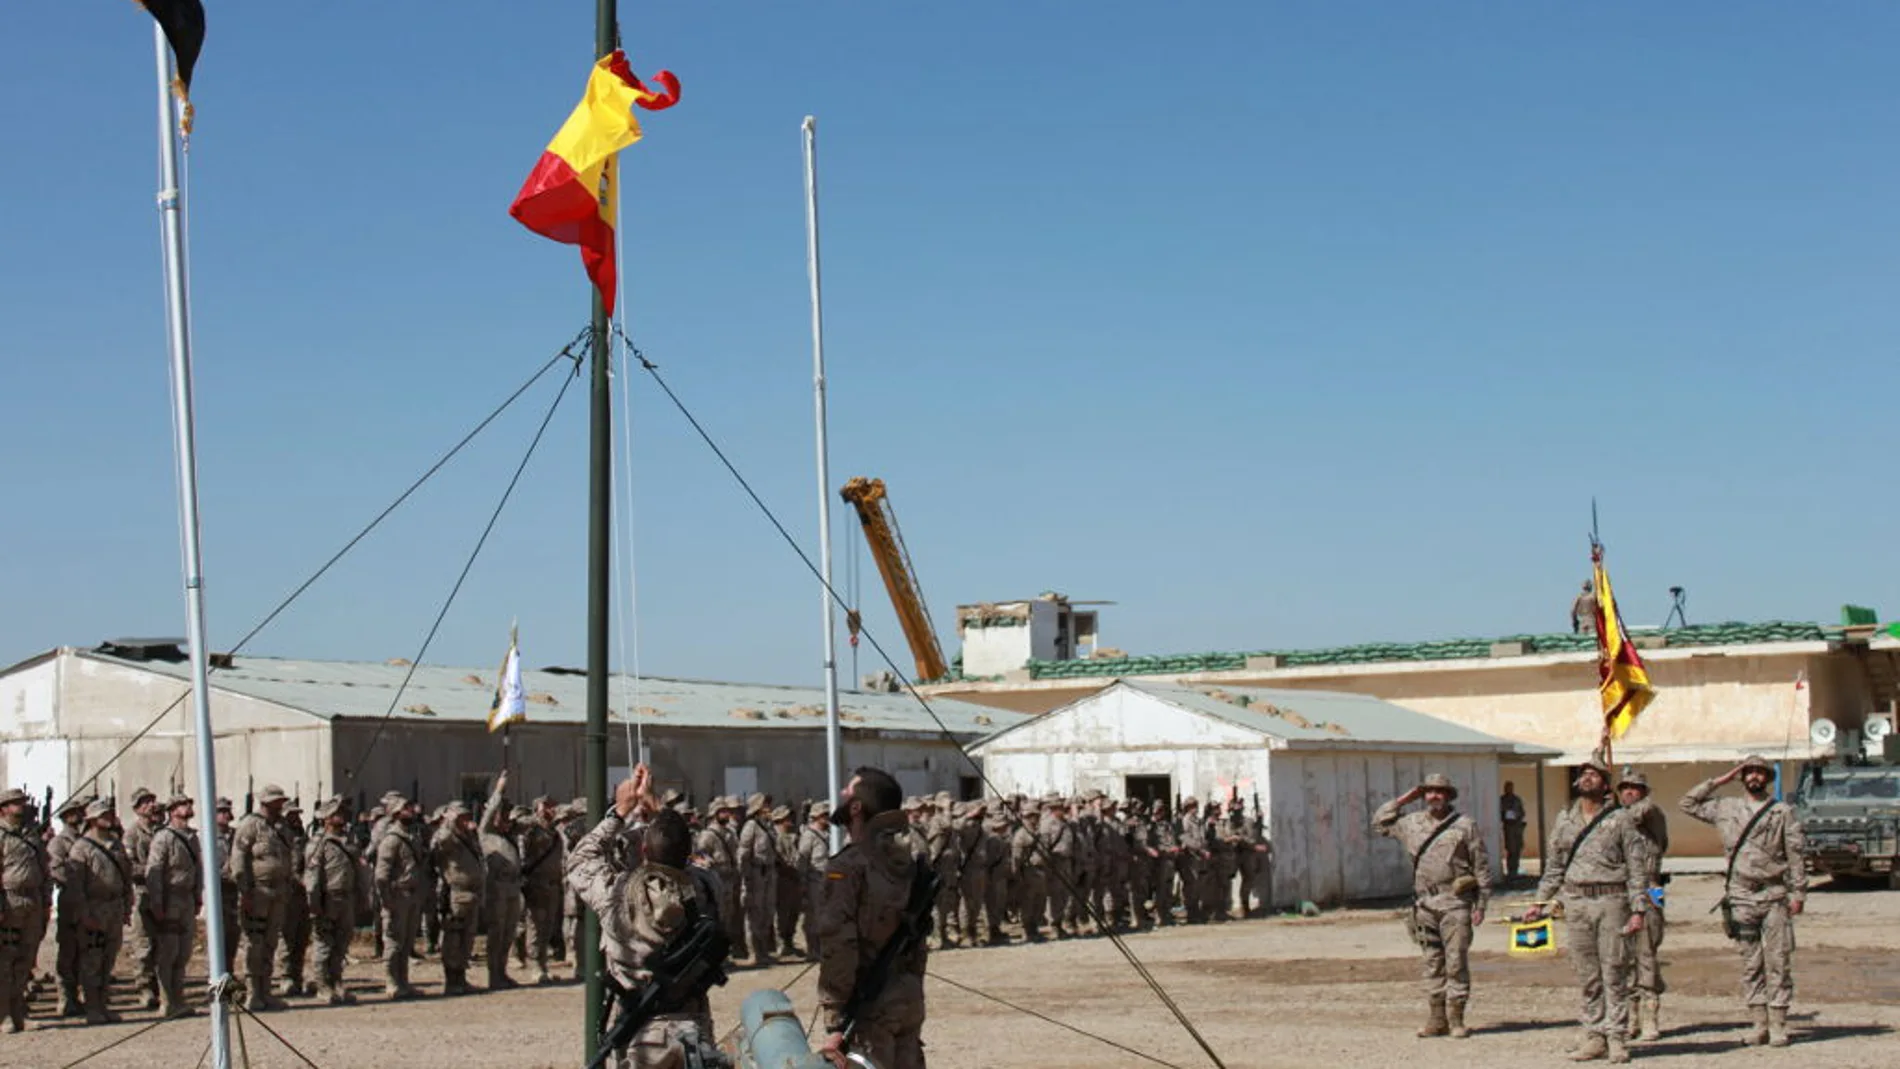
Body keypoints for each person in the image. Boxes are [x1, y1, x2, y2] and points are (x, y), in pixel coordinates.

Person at [566, 766, 728, 1069]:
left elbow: (580, 860)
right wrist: (658, 808)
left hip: (642, 1035)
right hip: (693, 1027)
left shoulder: (617, 892)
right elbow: (683, 848)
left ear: (642, 849)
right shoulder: (707, 886)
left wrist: (620, 811)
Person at [1525, 759, 1648, 1064]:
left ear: (1606, 785)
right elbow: (1554, 867)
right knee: (1587, 974)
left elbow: (1636, 868)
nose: (1587, 778)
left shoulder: (1621, 820)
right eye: (1584, 775)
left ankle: (1617, 1037)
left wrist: (1638, 910)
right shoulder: (1565, 821)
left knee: (1615, 971)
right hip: (1576, 903)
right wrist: (1539, 902)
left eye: (1595, 775)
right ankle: (1594, 1037)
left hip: (1612, 901)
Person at [1680, 755, 1807, 1048]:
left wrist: (1798, 893)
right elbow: (1687, 803)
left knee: (1778, 961)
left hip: (1773, 894)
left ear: (1768, 778)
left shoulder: (1781, 812)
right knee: (1751, 963)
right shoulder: (1726, 808)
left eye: (1759, 773)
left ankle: (1778, 1023)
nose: (1754, 777)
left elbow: (1796, 855)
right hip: (1740, 896)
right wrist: (1720, 779)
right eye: (1748, 772)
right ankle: (1758, 1023)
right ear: (1741, 776)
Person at [818, 767, 927, 1069]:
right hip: (907, 994)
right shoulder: (907, 861)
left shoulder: (849, 866)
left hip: (869, 1007)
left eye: (848, 790)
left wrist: (835, 1020)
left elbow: (839, 946)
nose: (841, 793)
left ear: (856, 807)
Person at [1374, 773, 1491, 1040]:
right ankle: (1436, 1019)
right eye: (1429, 792)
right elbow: (1379, 822)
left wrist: (1481, 904)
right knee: (1432, 963)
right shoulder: (1411, 823)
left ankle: (1456, 1019)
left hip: (1455, 902)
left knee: (1455, 962)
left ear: (1449, 795)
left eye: (1440, 791)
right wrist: (1407, 797)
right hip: (1424, 903)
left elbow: (1481, 865)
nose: (1434, 796)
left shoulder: (1464, 825)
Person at [228, 783, 296, 1011]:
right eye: (276, 801)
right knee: (254, 943)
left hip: (278, 892)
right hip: (257, 892)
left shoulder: (282, 826)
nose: (280, 805)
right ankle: (253, 992)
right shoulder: (250, 825)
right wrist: (245, 890)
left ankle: (266, 990)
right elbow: (238, 860)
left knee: (270, 942)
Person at [69, 798, 135, 1024]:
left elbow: (125, 875)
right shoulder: (81, 848)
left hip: (114, 906)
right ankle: (92, 1007)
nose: (108, 818)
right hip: (94, 907)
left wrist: (127, 905)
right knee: (92, 960)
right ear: (92, 820)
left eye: (109, 814)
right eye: (103, 816)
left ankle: (103, 1003)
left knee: (108, 959)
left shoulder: (116, 844)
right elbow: (76, 886)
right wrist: (84, 913)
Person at [1617, 770, 1668, 1041]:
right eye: (1624, 788)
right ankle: (1630, 1016)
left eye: (1635, 788)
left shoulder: (1651, 813)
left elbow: (1639, 812)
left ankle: (1650, 1015)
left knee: (1646, 951)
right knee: (1622, 956)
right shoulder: (1617, 819)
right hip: (1621, 890)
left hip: (1649, 888)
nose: (1629, 793)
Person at [145, 794, 203, 1018]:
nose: (188, 807)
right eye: (182, 805)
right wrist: (157, 902)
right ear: (172, 810)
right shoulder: (164, 838)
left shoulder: (192, 838)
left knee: (183, 952)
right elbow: (155, 871)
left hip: (186, 898)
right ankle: (167, 1001)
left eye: (189, 803)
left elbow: (198, 870)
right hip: (170, 899)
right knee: (168, 952)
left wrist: (198, 897)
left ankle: (179, 999)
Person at [0, 786, 51, 1033]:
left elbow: (43, 869)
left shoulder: (31, 834)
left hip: (33, 901)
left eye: (21, 801)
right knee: (5, 961)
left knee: (25, 960)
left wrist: (46, 901)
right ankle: (3, 1015)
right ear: (4, 809)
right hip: (9, 901)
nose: (20, 805)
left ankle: (20, 1012)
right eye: (15, 802)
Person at [305, 796, 362, 1005]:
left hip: (346, 899)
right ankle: (322, 986)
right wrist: (314, 904)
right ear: (326, 818)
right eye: (336, 814)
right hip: (327, 899)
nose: (342, 817)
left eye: (343, 813)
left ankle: (337, 981)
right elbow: (312, 878)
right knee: (323, 946)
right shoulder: (318, 844)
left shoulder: (348, 841)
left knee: (340, 946)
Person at [374, 794, 426, 999]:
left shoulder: (413, 836)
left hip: (412, 896)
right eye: (406, 808)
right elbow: (381, 875)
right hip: (397, 897)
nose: (411, 811)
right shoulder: (391, 840)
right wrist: (387, 900)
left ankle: (404, 981)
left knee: (406, 942)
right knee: (394, 943)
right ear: (396, 813)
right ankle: (392, 982)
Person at [478, 773, 524, 990]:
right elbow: (488, 814)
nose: (505, 819)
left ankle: (502, 971)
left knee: (508, 934)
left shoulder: (509, 837)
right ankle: (493, 975)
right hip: (496, 890)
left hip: (513, 889)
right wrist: (499, 789)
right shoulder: (486, 833)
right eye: (501, 815)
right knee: (496, 934)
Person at [46, 795, 90, 1017]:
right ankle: (65, 998)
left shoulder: (87, 839)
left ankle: (79, 995)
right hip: (70, 901)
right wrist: (79, 883)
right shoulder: (59, 843)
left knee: (86, 949)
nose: (79, 815)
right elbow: (57, 870)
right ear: (66, 817)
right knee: (68, 951)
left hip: (87, 901)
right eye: (74, 812)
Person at [518, 794, 566, 984]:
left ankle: (544, 964)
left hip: (553, 884)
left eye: (552, 805)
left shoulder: (554, 831)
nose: (551, 809)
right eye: (546, 806)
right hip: (536, 884)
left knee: (548, 927)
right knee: (536, 927)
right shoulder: (531, 828)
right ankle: (535, 965)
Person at [123, 787, 162, 1010]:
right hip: (143, 893)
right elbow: (130, 867)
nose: (150, 805)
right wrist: (154, 870)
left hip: (163, 893)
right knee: (144, 943)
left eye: (151, 800)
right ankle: (145, 987)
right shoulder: (132, 834)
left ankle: (163, 986)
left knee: (164, 943)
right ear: (137, 809)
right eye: (144, 802)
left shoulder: (162, 831)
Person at [1499, 781, 1527, 880]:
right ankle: (1510, 871)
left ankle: (1515, 870)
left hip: (1517, 827)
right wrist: (1506, 816)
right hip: (1508, 827)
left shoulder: (1517, 799)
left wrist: (1518, 816)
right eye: (1507, 787)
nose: (1509, 789)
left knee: (1518, 849)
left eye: (1511, 787)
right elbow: (1499, 813)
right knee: (1511, 850)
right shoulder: (1502, 800)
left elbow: (1522, 812)